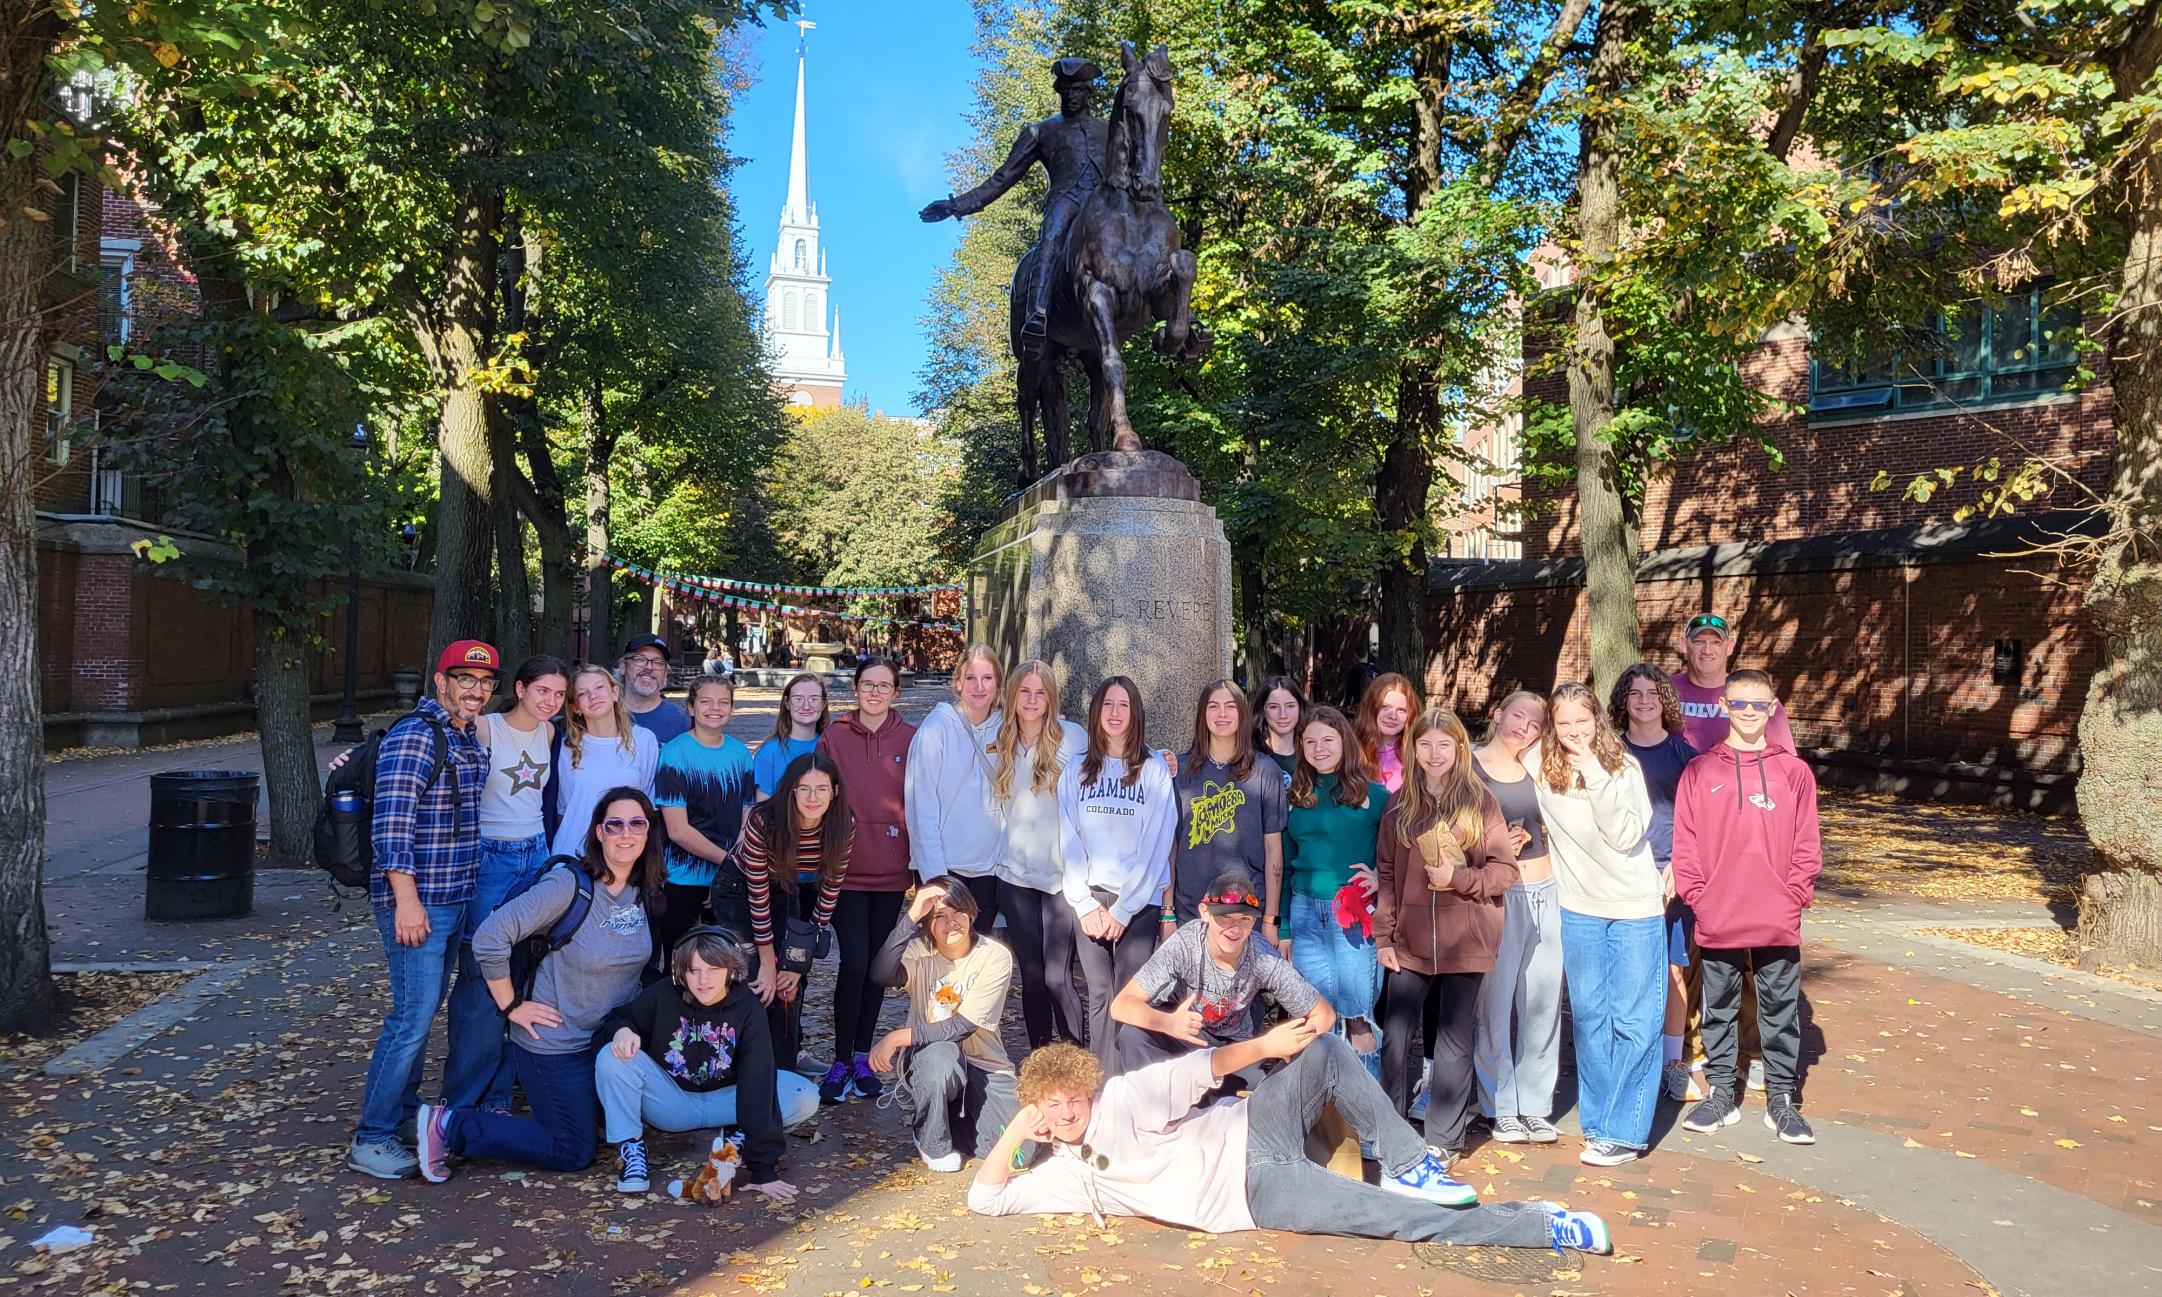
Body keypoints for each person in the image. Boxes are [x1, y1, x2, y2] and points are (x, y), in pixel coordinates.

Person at [966, 1035, 1610, 1253]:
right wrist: (1021, 1131)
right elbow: (985, 1200)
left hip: (1252, 1127)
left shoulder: (1126, 1097)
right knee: (1397, 1223)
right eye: (1051, 1106)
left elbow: (1205, 1068)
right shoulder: (1066, 1177)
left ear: (1086, 1089)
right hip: (1255, 1196)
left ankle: (1411, 1162)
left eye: (1071, 1098)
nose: (1067, 1111)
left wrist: (1268, 1049)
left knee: (1326, 1051)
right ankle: (1542, 1227)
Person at [412, 788, 663, 1181]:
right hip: (556, 1043)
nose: (625, 833)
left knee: (611, 1131)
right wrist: (511, 1007)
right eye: (615, 824)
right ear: (599, 832)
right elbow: (489, 937)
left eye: (637, 824)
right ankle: (450, 1125)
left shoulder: (646, 891)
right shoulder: (569, 887)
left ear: (649, 833)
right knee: (572, 1149)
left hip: (607, 1041)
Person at [348, 639, 497, 1180]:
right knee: (412, 1018)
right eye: (465, 679)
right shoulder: (416, 736)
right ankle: (373, 1136)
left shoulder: (464, 736)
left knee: (426, 1012)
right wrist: (406, 902)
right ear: (441, 681)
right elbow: (391, 826)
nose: (476, 690)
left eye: (484, 682)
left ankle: (408, 1115)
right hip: (420, 903)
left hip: (460, 894)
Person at [1674, 669, 1823, 1146]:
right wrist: (1699, 896)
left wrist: (1796, 893)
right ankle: (1721, 1091)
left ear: (1773, 708)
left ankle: (1782, 1099)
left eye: (1760, 705)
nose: (1751, 714)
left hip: (1776, 911)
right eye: (1741, 704)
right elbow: (1686, 842)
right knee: (1719, 1006)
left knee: (1780, 1008)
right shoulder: (1701, 770)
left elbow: (1807, 842)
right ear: (1724, 706)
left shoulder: (1793, 771)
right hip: (1719, 910)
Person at [1529, 682, 1664, 1167]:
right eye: (1563, 724)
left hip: (1634, 908)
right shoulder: (1540, 769)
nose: (1574, 732)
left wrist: (1593, 769)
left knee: (1634, 1020)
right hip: (1579, 908)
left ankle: (1626, 1131)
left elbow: (1625, 833)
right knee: (1589, 1021)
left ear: (1597, 720)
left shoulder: (1623, 767)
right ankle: (1600, 1125)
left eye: (1582, 722)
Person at [1375, 707, 1518, 1160]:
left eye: (1444, 745)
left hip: (1467, 941)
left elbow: (1504, 872)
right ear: (1412, 750)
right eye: (1425, 745)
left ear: (1459, 748)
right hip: (1411, 943)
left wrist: (1459, 878)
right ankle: (1392, 1129)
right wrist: (1384, 937)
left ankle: (1443, 1139)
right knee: (1396, 1031)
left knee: (1455, 1038)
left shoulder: (1480, 803)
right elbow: (1387, 873)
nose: (1434, 754)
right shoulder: (1400, 805)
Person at [593, 927, 816, 1198]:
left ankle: (737, 1139)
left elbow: (757, 1080)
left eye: (713, 969)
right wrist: (623, 1032)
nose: (703, 980)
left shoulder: (747, 1007)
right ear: (680, 972)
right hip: (674, 1103)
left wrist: (763, 1170)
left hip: (728, 1100)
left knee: (804, 1094)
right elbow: (615, 1021)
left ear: (731, 970)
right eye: (693, 970)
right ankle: (632, 1151)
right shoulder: (663, 994)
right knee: (611, 1057)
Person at [442, 653, 569, 1114]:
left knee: (520, 971)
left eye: (558, 695)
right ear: (519, 688)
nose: (550, 702)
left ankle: (501, 1093)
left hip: (534, 855)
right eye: (542, 691)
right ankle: (462, 1100)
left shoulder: (550, 732)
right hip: (490, 858)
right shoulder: (486, 728)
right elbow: (429, 745)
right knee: (481, 975)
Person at [1060, 675, 1177, 1073]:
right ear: (1096, 713)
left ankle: (1131, 1083)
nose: (1114, 713)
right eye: (1107, 704)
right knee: (1099, 992)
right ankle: (1102, 1083)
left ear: (1135, 713)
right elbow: (1068, 838)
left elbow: (1158, 841)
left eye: (1123, 705)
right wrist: (1083, 903)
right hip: (1090, 899)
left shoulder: (1154, 769)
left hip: (1136, 902)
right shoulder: (1076, 770)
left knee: (1131, 994)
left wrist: (1125, 909)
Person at [816, 657, 919, 1105]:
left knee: (878, 970)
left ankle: (862, 1056)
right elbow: (818, 792)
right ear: (855, 689)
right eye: (867, 685)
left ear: (895, 692)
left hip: (893, 872)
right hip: (845, 870)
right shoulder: (835, 737)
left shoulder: (912, 739)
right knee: (854, 962)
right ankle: (840, 1059)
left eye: (884, 686)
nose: (875, 693)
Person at [1112, 871, 1333, 1073]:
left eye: (1244, 919)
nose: (1234, 928)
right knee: (1133, 1036)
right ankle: (1153, 1112)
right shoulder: (1185, 943)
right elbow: (1121, 1005)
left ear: (1254, 920)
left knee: (1258, 1100)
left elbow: (1324, 1015)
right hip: (1185, 1035)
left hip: (1235, 1047)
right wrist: (1167, 1023)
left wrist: (1291, 1048)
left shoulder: (1263, 957)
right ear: (1205, 913)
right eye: (1225, 917)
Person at [867, 880, 1019, 1171]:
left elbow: (962, 1026)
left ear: (971, 914)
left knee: (1022, 1151)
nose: (951, 923)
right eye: (939, 916)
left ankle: (949, 1116)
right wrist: (911, 917)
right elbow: (881, 974)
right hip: (932, 1058)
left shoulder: (994, 955)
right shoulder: (919, 949)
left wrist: (897, 1037)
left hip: (984, 1064)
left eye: (957, 912)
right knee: (943, 1056)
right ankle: (931, 1138)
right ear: (927, 925)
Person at [1469, 690, 1562, 1145]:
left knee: (1542, 1003)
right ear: (1498, 713)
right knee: (1496, 1001)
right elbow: (1450, 829)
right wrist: (1493, 842)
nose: (1524, 727)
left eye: (1535, 723)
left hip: (1546, 890)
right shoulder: (1469, 764)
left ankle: (1536, 1104)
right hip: (1500, 897)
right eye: (1517, 716)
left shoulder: (1542, 767)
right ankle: (1499, 1104)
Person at [1609, 663, 1704, 1102]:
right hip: (1618, 878)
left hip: (1669, 876)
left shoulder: (1685, 757)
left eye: (1652, 693)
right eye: (1635, 693)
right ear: (1623, 701)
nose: (1644, 701)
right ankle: (1623, 1058)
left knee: (1672, 971)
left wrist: (1679, 865)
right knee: (1623, 974)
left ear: (1665, 701)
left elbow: (1698, 821)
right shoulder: (1609, 754)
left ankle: (1672, 1063)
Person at [724, 751, 852, 1074]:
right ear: (791, 790)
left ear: (834, 791)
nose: (813, 797)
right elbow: (757, 896)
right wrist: (768, 960)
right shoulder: (763, 820)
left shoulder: (843, 824)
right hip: (740, 889)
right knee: (756, 975)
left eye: (821, 789)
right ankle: (747, 1063)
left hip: (786, 887)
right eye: (804, 788)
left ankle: (784, 1062)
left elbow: (829, 894)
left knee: (789, 982)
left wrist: (795, 964)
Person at [1279, 706, 1388, 1079]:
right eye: (1310, 741)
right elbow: (1287, 863)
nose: (1319, 748)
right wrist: (1284, 928)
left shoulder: (1375, 796)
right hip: (1306, 912)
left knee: (1357, 1018)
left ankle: (1369, 1125)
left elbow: (1402, 852)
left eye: (1327, 740)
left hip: (1352, 916)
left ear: (1345, 741)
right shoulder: (1296, 796)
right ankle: (1328, 1122)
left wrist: (1381, 878)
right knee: (1318, 1018)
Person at [989, 659, 1089, 1048]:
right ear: (1012, 696)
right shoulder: (998, 740)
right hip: (1014, 877)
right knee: (1030, 975)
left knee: (1056, 976)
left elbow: (1119, 747)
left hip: (1061, 878)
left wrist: (1161, 755)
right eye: (1024, 692)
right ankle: (1040, 1059)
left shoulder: (1073, 739)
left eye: (1040, 693)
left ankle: (1076, 1060)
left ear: (1051, 698)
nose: (1031, 700)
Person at [1164, 680, 1287, 930]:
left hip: (1247, 911)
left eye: (1230, 706)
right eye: (1213, 706)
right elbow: (1170, 847)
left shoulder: (1265, 771)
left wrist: (1271, 919)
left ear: (1242, 713)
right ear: (1202, 714)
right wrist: (1167, 912)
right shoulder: (1179, 770)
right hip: (1190, 912)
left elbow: (1273, 849)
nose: (1222, 714)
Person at [653, 676, 756, 956]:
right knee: (681, 964)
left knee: (728, 966)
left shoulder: (740, 754)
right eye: (706, 701)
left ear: (731, 708)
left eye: (723, 702)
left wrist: (731, 870)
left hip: (732, 880)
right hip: (684, 879)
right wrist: (729, 865)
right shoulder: (675, 754)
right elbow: (677, 830)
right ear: (691, 707)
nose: (715, 708)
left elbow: (748, 811)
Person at [905, 645, 1006, 919]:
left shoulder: (1007, 729)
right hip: (946, 869)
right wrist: (935, 877)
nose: (979, 687)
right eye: (971, 678)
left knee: (978, 955)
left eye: (987, 678)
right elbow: (921, 809)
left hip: (990, 871)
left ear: (998, 683)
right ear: (958, 682)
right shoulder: (935, 729)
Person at [546, 664, 660, 860]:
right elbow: (563, 809)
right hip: (574, 853)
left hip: (625, 854)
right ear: (576, 707)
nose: (593, 696)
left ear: (615, 693)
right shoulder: (567, 747)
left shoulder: (644, 740)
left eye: (599, 688)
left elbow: (647, 804)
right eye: (583, 693)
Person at [1671, 613, 1795, 753]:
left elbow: (1787, 761)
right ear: (1684, 645)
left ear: (1729, 646)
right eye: (1699, 641)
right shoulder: (1663, 691)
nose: (1707, 650)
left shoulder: (1757, 698)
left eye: (1716, 642)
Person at [753, 672, 829, 799]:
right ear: (787, 703)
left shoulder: (832, 746)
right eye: (798, 699)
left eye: (814, 699)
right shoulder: (769, 752)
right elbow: (761, 807)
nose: (806, 706)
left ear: (823, 704)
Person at [1354, 672, 1421, 794]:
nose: (1392, 716)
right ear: (1371, 708)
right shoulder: (1351, 751)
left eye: (1401, 710)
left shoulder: (1418, 755)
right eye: (1385, 707)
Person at [620, 633, 691, 746]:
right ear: (623, 667)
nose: (649, 667)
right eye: (640, 659)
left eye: (658, 662)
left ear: (665, 673)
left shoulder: (683, 724)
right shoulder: (602, 716)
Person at [1249, 675, 1306, 788]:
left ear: (1300, 708)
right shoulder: (1250, 756)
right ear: (1263, 710)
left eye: (1290, 706)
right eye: (1274, 707)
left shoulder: (1312, 754)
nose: (1283, 715)